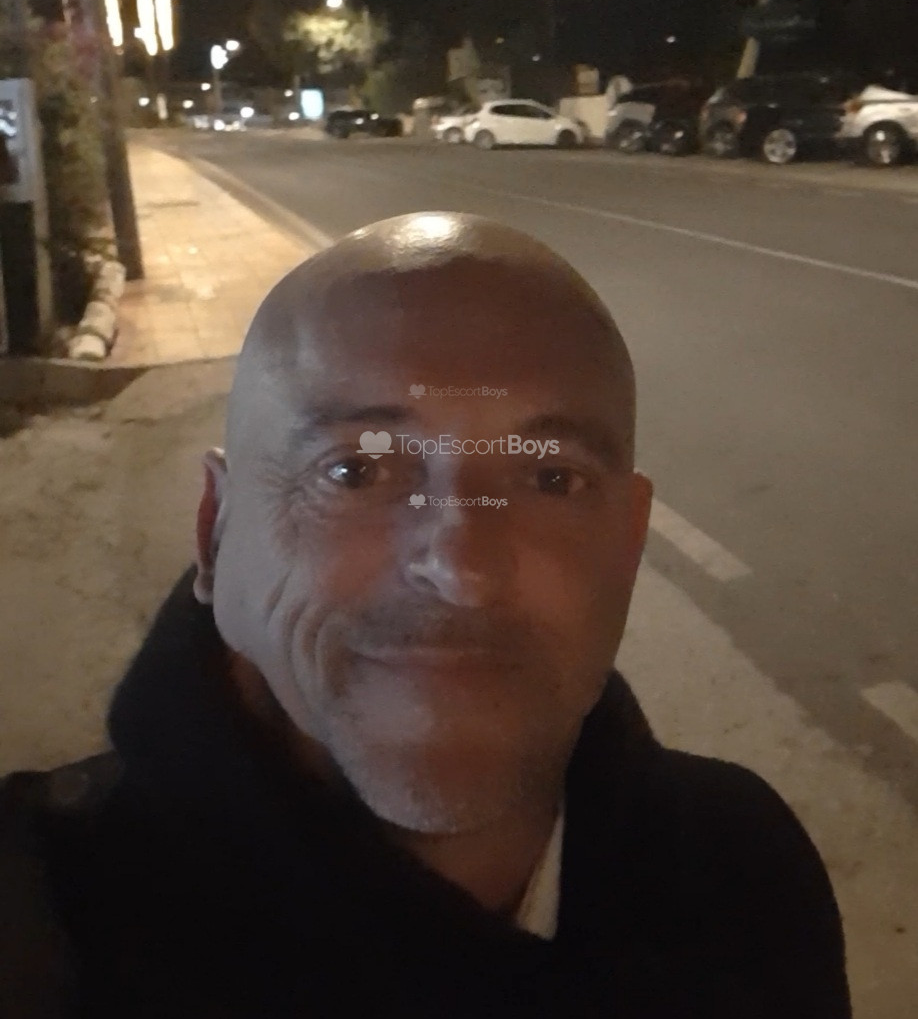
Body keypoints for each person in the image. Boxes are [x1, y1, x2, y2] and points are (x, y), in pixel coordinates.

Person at [0, 213, 850, 1017]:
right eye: (355, 473)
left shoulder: (742, 871)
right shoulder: (35, 917)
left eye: (549, 478)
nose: (462, 569)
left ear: (626, 547)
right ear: (214, 534)